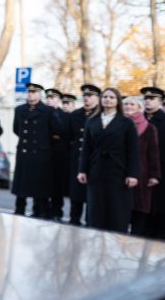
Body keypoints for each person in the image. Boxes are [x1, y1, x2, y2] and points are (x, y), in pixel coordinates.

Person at [77, 88, 140, 233]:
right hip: (96, 169)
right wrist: (82, 170)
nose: (108, 100)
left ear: (117, 101)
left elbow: (133, 151)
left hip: (118, 170)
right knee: (95, 208)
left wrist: (133, 174)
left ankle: (116, 241)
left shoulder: (126, 123)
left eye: (112, 97)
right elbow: (86, 148)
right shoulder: (92, 121)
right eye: (105, 97)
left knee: (116, 209)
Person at [11, 83, 61, 217]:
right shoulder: (19, 110)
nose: (31, 94)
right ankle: (19, 210)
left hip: (41, 155)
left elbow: (57, 130)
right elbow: (17, 129)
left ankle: (39, 212)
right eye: (29, 92)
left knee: (40, 189)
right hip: (24, 152)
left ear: (40, 94)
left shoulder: (48, 111)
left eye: (34, 92)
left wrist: (44, 143)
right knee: (22, 187)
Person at [122, 96, 160, 237]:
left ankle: (135, 239)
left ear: (139, 107)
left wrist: (154, 175)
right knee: (121, 208)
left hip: (141, 173)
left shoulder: (149, 128)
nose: (128, 106)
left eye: (132, 104)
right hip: (118, 171)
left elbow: (153, 153)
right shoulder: (116, 123)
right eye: (125, 104)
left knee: (139, 207)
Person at [66, 84, 101, 225]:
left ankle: (90, 220)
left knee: (91, 193)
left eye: (90, 96)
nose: (87, 99)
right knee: (76, 192)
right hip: (77, 158)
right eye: (85, 96)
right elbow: (69, 136)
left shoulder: (101, 115)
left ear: (98, 98)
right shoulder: (75, 115)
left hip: (94, 159)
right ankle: (74, 219)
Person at [142, 86, 165, 239]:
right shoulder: (138, 120)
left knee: (162, 208)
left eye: (152, 98)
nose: (147, 101)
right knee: (143, 207)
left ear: (160, 102)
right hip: (142, 169)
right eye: (146, 98)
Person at [45, 87, 69, 221]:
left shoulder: (64, 115)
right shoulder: (42, 113)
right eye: (47, 98)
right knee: (43, 183)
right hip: (44, 152)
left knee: (57, 185)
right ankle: (43, 209)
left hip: (59, 154)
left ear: (58, 100)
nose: (49, 100)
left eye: (52, 98)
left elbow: (66, 133)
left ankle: (57, 211)